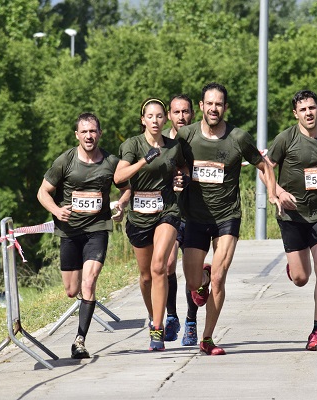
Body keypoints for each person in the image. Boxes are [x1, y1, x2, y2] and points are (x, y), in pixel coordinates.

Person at [177, 82, 280, 355]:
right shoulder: (185, 136)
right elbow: (166, 160)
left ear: (225, 107)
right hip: (194, 216)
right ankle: (202, 277)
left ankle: (208, 339)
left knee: (220, 279)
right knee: (192, 284)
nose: (214, 108)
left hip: (227, 216)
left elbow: (264, 165)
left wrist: (272, 191)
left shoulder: (238, 137)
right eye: (209, 103)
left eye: (219, 104)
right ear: (201, 106)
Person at [261, 90, 317, 351]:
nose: (309, 113)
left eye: (312, 108)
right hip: (292, 216)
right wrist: (278, 192)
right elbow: (266, 169)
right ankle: (294, 268)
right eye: (303, 110)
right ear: (295, 114)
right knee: (301, 278)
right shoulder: (285, 139)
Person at [37, 113, 130, 359]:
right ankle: (83, 303)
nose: (89, 136)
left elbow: (126, 187)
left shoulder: (111, 162)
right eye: (84, 132)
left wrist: (121, 205)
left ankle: (80, 340)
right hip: (69, 231)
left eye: (93, 131)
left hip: (97, 230)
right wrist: (56, 210)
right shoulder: (65, 161)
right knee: (71, 290)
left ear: (100, 133)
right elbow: (43, 192)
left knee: (89, 283)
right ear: (77, 135)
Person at [114, 98, 188, 351]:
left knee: (160, 266)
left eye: (159, 116)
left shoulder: (174, 146)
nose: (155, 121)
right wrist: (144, 161)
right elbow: (118, 177)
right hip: (138, 217)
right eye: (150, 116)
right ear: (142, 119)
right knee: (146, 277)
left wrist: (181, 180)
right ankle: (153, 316)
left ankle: (157, 329)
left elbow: (184, 169)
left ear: (164, 119)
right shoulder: (132, 145)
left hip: (167, 210)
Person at [162, 94, 195, 343]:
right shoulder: (160, 141)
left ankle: (191, 321)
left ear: (192, 113)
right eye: (176, 112)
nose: (181, 117)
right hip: (170, 212)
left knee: (191, 271)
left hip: (196, 212)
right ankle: (171, 316)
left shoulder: (200, 138)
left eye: (185, 112)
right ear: (169, 115)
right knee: (168, 264)